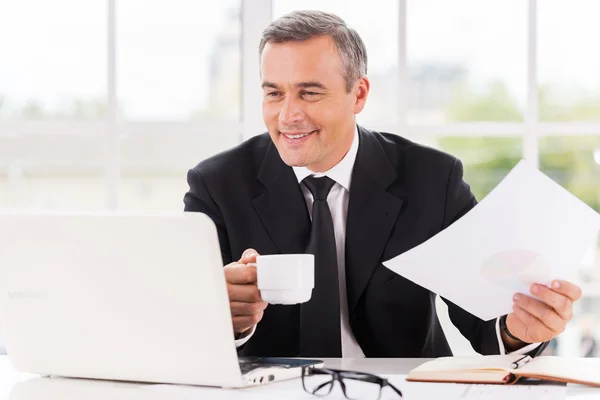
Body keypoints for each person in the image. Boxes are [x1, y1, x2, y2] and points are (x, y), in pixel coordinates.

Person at [184, 10, 582, 358]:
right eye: (274, 93)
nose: (288, 115)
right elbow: (183, 330)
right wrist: (226, 317)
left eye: (310, 93)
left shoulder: (431, 179)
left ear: (358, 94)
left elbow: (486, 321)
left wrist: (518, 331)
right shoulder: (217, 185)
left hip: (401, 389)